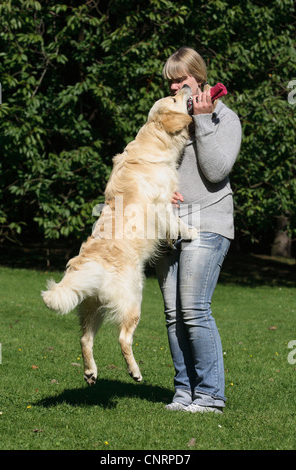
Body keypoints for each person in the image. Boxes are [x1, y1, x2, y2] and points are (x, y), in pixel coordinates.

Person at [155, 47, 242, 414]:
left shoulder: (225, 118)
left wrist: (203, 121)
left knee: (193, 309)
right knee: (173, 314)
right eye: (171, 80)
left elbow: (216, 171)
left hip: (208, 220)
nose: (176, 86)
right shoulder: (165, 114)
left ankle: (210, 397)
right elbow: (149, 156)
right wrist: (159, 185)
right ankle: (184, 392)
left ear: (199, 78)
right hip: (168, 225)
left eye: (182, 79)